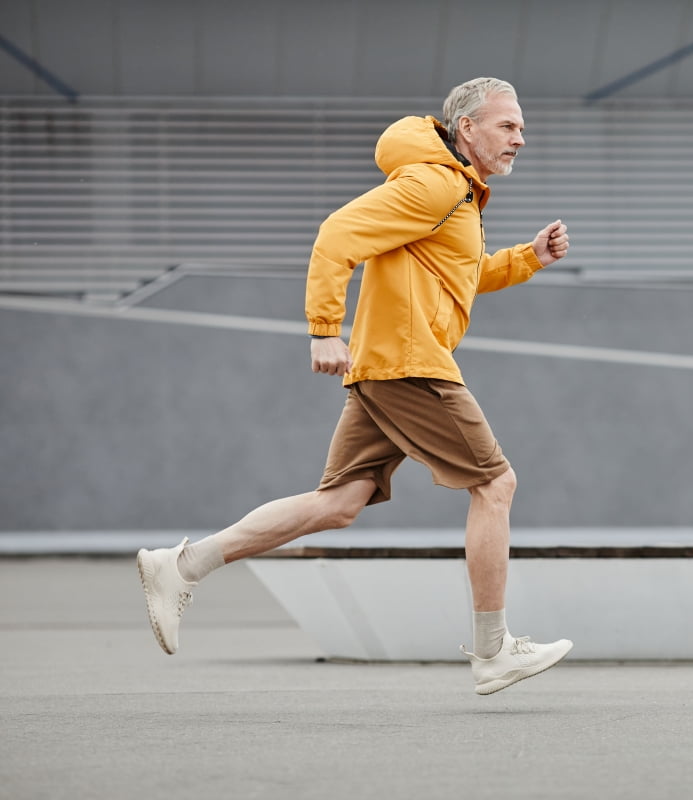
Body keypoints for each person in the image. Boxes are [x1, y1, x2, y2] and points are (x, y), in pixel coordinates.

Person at [136, 77, 572, 696]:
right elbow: (336, 236)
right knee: (495, 483)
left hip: (389, 363)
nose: (520, 139)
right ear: (467, 129)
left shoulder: (455, 191)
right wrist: (323, 330)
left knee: (339, 504)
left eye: (522, 127)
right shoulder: (436, 183)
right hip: (410, 363)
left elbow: (460, 275)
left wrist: (528, 258)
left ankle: (181, 567)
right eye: (507, 126)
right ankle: (493, 650)